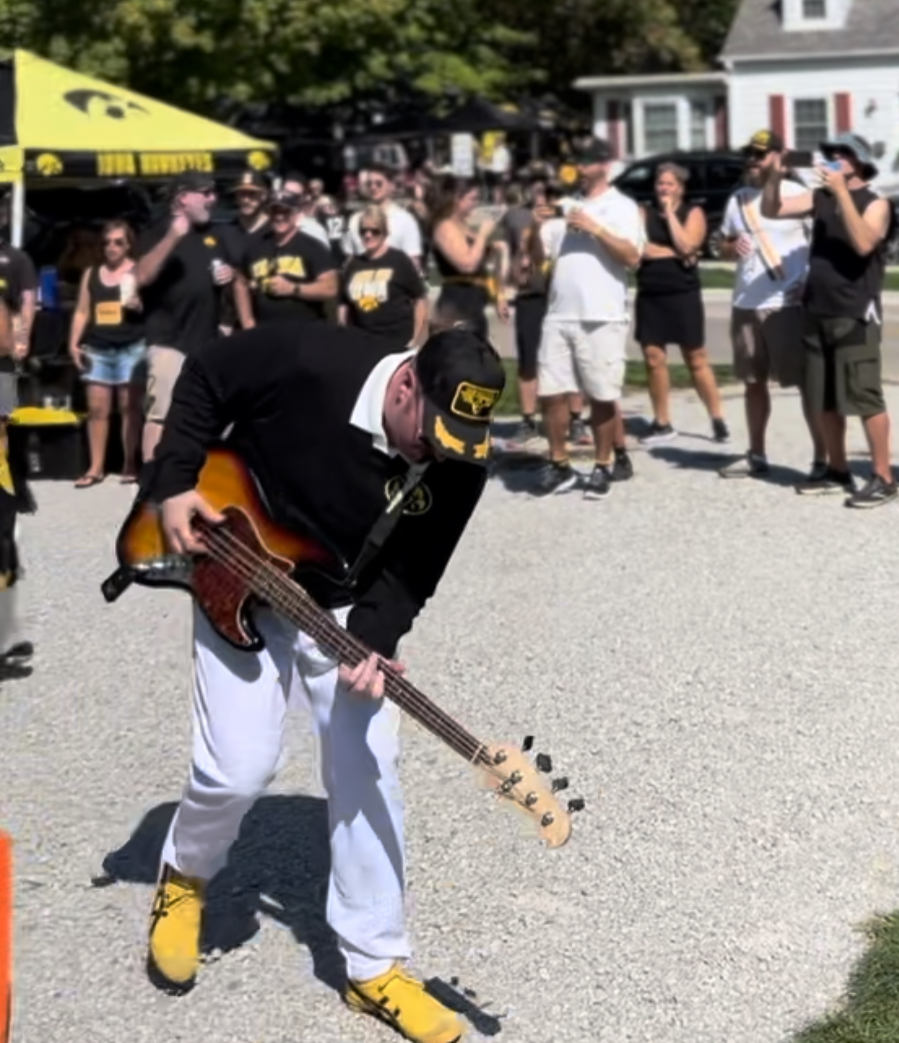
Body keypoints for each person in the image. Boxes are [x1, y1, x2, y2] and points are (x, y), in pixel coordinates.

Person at [137, 321, 505, 1043]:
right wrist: (175, 482)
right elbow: (207, 374)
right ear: (405, 386)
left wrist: (372, 642)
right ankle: (183, 875)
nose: (434, 454)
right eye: (427, 435)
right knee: (237, 767)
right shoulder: (310, 355)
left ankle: (375, 968)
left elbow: (411, 569)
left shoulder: (458, 456)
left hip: (336, 595)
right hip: (236, 562)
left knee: (370, 763)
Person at [762, 131, 896, 506]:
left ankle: (883, 477)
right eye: (831, 153)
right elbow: (773, 210)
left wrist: (841, 195)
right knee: (824, 399)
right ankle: (836, 469)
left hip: (854, 313)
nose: (834, 158)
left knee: (865, 396)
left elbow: (865, 242)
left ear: (860, 162)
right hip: (816, 310)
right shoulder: (819, 197)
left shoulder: (877, 203)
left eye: (844, 153)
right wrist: (775, 176)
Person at [533, 138, 643, 499]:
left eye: (585, 162)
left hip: (602, 316)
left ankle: (602, 464)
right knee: (550, 393)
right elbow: (538, 259)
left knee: (601, 394)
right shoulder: (565, 206)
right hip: (559, 315)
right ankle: (559, 463)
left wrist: (596, 229)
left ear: (603, 166)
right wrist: (533, 232)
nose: (578, 168)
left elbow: (631, 256)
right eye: (576, 162)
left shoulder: (621, 207)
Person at [717, 130, 825, 479]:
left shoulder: (799, 196)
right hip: (745, 302)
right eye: (749, 152)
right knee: (753, 382)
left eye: (760, 153)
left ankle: (822, 459)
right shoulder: (738, 200)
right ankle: (757, 453)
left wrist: (808, 283)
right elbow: (723, 246)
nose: (752, 158)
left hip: (787, 305)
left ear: (780, 156)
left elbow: (821, 245)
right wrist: (731, 247)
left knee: (807, 384)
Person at [135, 171, 236, 462]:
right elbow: (141, 275)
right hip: (169, 342)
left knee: (205, 417)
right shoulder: (157, 231)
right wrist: (172, 237)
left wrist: (226, 279)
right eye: (205, 193)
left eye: (214, 192)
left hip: (206, 344)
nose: (212, 199)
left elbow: (220, 284)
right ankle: (151, 489)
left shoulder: (211, 236)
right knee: (161, 416)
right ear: (183, 198)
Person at [635, 163, 729, 445]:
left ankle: (717, 418)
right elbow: (639, 248)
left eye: (669, 184)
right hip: (651, 292)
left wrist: (671, 217)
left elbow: (688, 245)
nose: (663, 188)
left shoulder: (694, 212)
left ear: (681, 187)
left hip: (683, 292)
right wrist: (675, 252)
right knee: (654, 359)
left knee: (695, 357)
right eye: (660, 183)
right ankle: (661, 421)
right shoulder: (643, 212)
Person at [67, 220, 146, 487]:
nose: (111, 247)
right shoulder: (91, 273)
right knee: (97, 409)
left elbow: (157, 309)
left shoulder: (138, 271)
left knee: (129, 409)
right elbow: (81, 311)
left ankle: (130, 464)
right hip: (98, 348)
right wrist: (73, 343)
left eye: (118, 242)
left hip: (131, 348)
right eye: (107, 242)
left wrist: (139, 305)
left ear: (128, 245)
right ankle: (95, 467)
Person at [233, 189, 338, 328]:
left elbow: (330, 288)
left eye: (286, 212)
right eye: (275, 212)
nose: (279, 217)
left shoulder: (312, 247)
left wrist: (293, 289)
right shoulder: (255, 247)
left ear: (296, 215)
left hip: (305, 332)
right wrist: (247, 321)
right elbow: (240, 282)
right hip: (266, 332)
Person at [429, 175, 508, 340]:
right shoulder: (445, 227)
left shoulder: (465, 227)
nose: (476, 204)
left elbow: (487, 265)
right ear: (456, 199)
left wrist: (500, 296)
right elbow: (467, 264)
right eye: (472, 199)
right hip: (457, 305)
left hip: (475, 305)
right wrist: (482, 235)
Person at [338, 205, 429, 347]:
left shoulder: (399, 260)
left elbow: (420, 299)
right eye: (363, 231)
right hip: (362, 341)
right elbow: (343, 304)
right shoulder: (353, 264)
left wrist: (416, 339)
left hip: (397, 340)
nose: (368, 235)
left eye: (375, 231)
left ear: (385, 233)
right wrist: (343, 334)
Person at [344, 163, 423, 267]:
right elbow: (350, 260)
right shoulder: (355, 219)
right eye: (369, 184)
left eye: (378, 183)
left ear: (391, 186)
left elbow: (413, 262)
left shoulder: (405, 220)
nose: (373, 187)